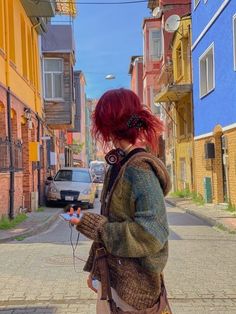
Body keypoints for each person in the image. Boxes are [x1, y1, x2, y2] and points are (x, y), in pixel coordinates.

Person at [70, 88, 172, 314]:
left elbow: (152, 233)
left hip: (135, 292)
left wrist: (94, 226)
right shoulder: (119, 164)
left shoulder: (139, 169)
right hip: (114, 282)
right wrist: (97, 271)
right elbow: (111, 220)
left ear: (108, 125)